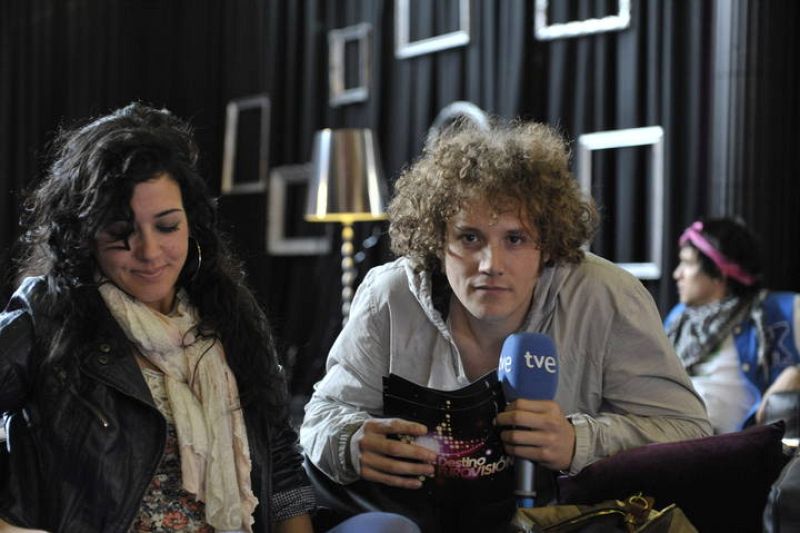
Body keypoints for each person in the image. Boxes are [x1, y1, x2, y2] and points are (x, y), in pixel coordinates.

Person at [0, 103, 420, 533]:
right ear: (86, 234)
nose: (149, 252)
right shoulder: (48, 314)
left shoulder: (228, 311)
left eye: (167, 226)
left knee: (389, 528)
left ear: (191, 223)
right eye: (121, 232)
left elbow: (281, 460)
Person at [300, 120, 712, 532]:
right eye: (469, 238)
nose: (490, 265)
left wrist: (578, 442)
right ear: (436, 240)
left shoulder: (607, 297)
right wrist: (350, 442)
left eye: (514, 239)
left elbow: (689, 432)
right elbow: (320, 418)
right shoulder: (390, 294)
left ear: (547, 244)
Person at [665, 217, 800, 434]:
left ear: (719, 272)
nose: (677, 274)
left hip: (734, 446)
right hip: (671, 436)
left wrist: (795, 373)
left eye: (688, 263)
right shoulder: (678, 319)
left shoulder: (782, 310)